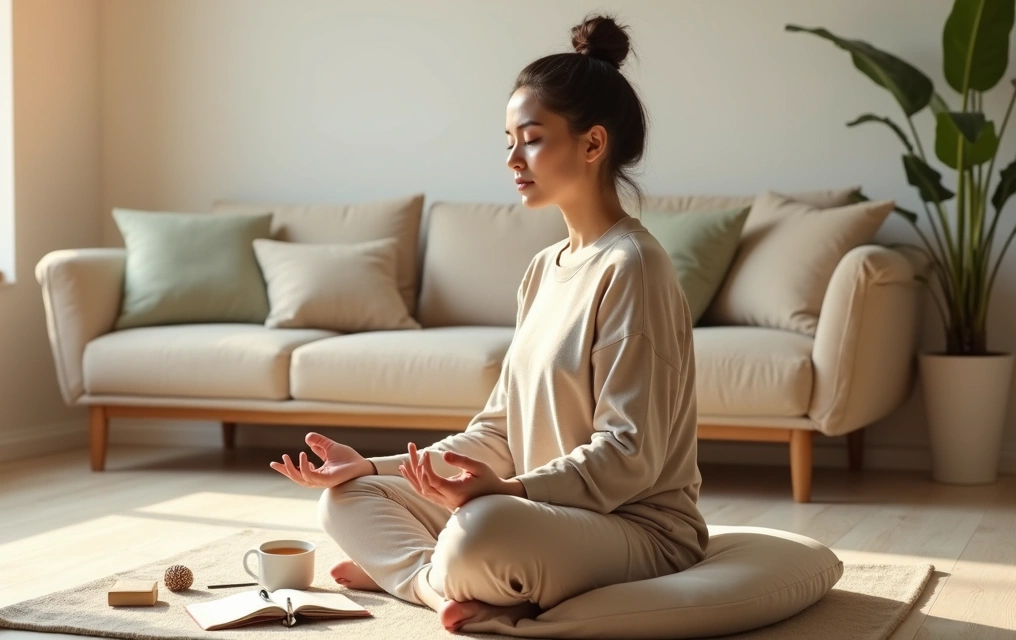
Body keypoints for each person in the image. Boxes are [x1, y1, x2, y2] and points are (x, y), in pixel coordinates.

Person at [271, 12, 708, 634]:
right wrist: (371, 467)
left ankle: (417, 573)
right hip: (541, 511)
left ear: (592, 144)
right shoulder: (542, 269)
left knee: (485, 526)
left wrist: (511, 491)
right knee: (345, 499)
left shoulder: (633, 267)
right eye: (508, 141)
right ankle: (436, 582)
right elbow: (497, 431)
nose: (512, 159)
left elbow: (628, 456)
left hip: (638, 529)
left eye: (531, 139)